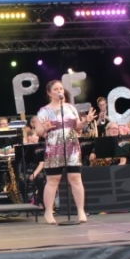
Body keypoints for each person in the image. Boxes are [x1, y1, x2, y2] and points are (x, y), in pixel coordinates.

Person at [34, 80, 88, 225]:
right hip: (54, 146)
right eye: (56, 89)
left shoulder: (70, 108)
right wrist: (45, 128)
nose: (59, 91)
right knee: (53, 180)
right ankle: (48, 211)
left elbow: (77, 127)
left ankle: (81, 210)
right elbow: (38, 131)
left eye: (61, 88)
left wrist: (85, 122)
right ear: (49, 93)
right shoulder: (44, 111)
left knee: (75, 177)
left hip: (72, 145)